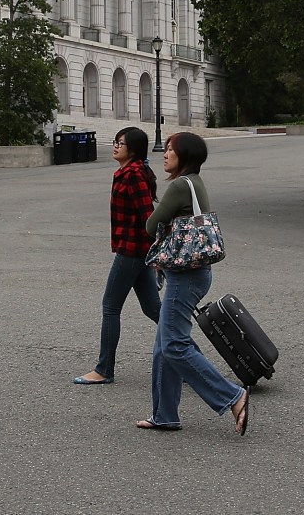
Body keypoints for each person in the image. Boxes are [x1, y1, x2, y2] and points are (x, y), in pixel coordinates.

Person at [135, 131, 250, 435]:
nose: (165, 154)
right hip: (194, 271)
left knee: (174, 344)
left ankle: (232, 395)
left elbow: (150, 226)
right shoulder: (195, 183)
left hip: (184, 275)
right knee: (163, 345)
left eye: (170, 149)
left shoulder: (179, 186)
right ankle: (165, 415)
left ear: (183, 155)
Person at [73, 126, 161, 385]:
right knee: (154, 309)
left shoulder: (133, 174)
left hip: (132, 251)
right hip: (137, 250)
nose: (115, 146)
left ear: (132, 149)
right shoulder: (127, 172)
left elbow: (148, 216)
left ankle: (104, 369)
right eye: (115, 141)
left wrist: (155, 253)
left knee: (110, 308)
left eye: (120, 143)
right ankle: (190, 360)